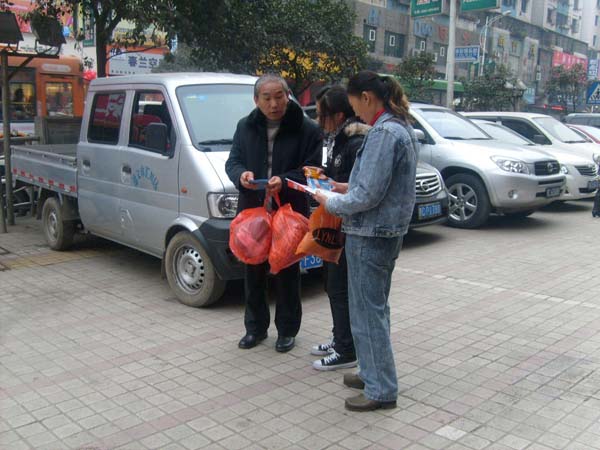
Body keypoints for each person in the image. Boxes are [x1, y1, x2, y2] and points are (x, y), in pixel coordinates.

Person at [314, 71, 418, 411]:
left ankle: (381, 389)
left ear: (367, 98)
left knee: (367, 312)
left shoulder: (385, 133)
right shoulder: (398, 127)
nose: (354, 110)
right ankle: (371, 371)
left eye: (355, 102)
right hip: (383, 232)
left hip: (370, 233)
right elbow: (375, 185)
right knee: (374, 308)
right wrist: (345, 187)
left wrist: (330, 201)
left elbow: (368, 195)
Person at [226, 74, 322, 353]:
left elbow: (312, 170)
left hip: (288, 211)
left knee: (287, 272)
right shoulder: (245, 127)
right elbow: (233, 161)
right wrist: (240, 175)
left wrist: (285, 178)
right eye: (266, 98)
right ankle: (255, 329)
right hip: (253, 211)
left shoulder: (306, 129)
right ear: (256, 100)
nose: (274, 103)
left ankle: (287, 331)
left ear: (287, 95)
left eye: (279, 96)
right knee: (252, 270)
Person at [308, 85, 369, 371]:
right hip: (336, 223)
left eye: (323, 116)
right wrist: (323, 178)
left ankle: (347, 350)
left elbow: (356, 189)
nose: (320, 122)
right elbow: (340, 179)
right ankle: (340, 338)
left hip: (349, 228)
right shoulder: (337, 138)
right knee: (333, 285)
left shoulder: (355, 142)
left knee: (340, 288)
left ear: (340, 114)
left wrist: (330, 186)